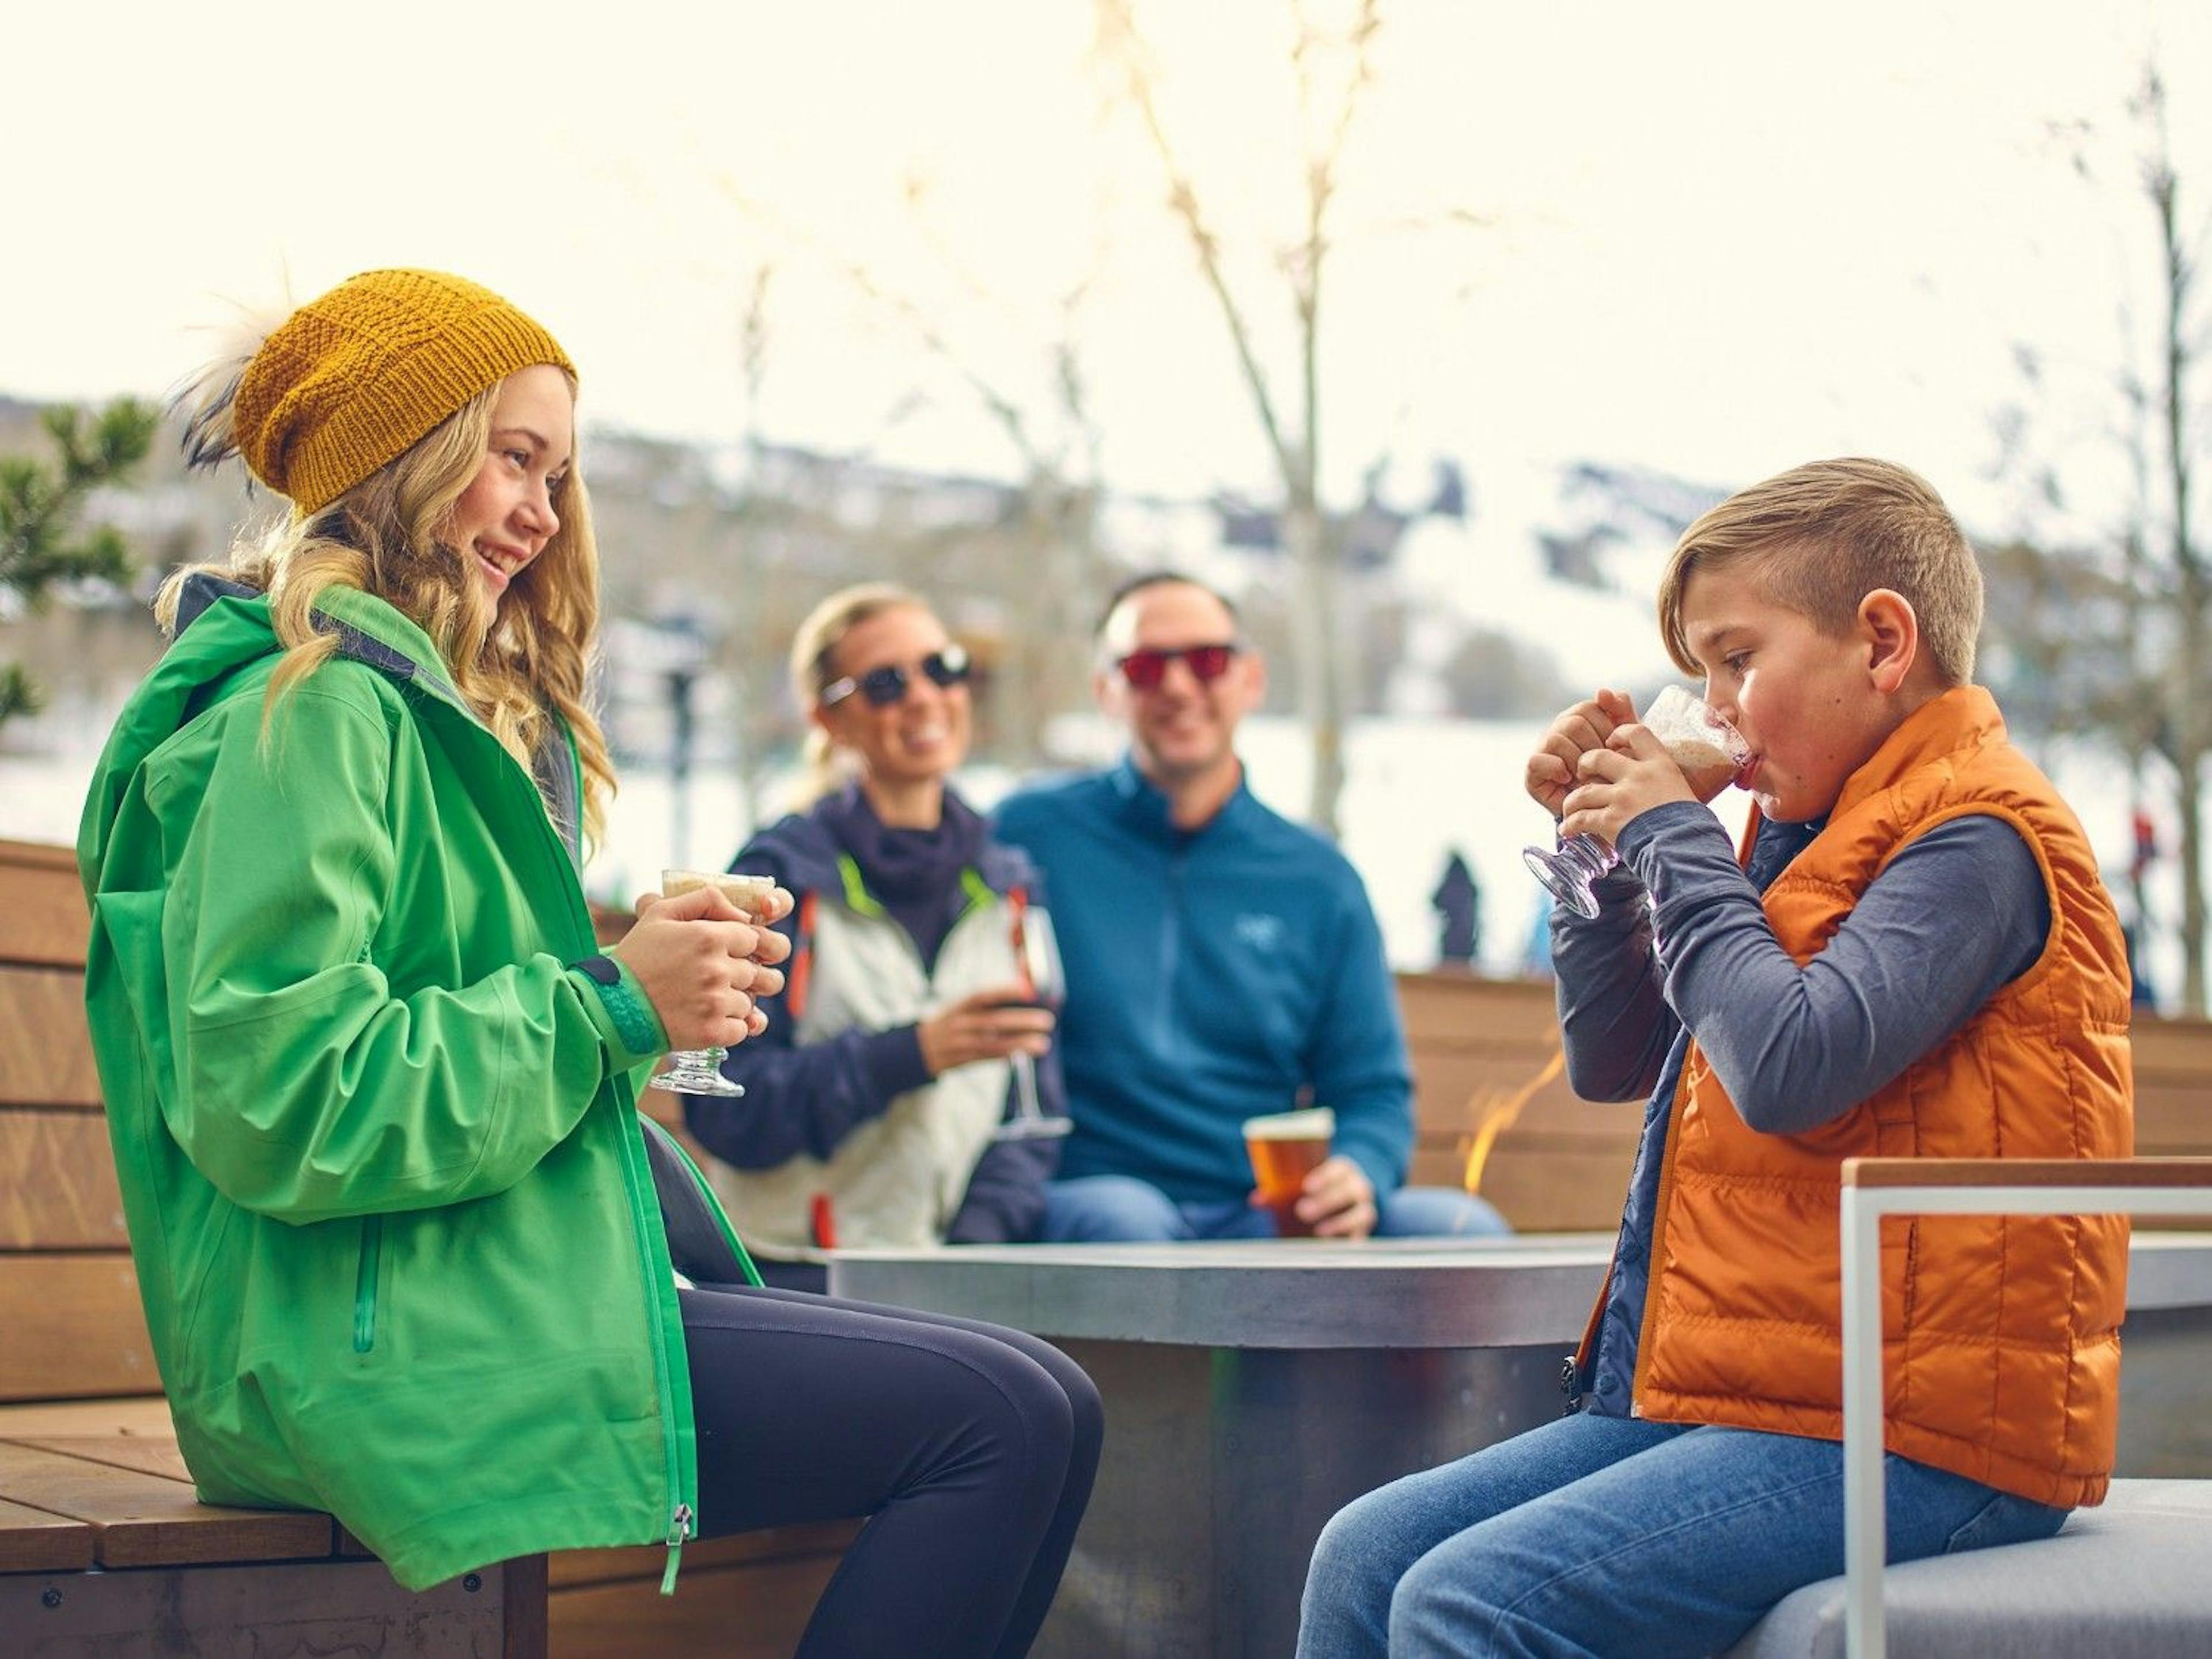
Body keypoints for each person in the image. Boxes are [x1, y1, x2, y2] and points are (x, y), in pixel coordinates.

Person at [76, 269, 1098, 1657]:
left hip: (478, 1287)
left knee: (1042, 1397)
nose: (543, 515)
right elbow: (288, 1097)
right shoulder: (298, 716)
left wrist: (638, 1033)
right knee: (1008, 1418)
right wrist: (616, 1003)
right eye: (513, 458)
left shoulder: (419, 714)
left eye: (559, 474)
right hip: (378, 1351)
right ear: (404, 454)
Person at [1298, 457, 2133, 1657]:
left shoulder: (1982, 840)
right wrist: (1597, 857)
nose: (1717, 707)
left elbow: (1794, 1062)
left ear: (1883, 644)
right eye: (1700, 673)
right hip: (1769, 1403)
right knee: (1366, 1554)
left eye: (1737, 660)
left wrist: (1671, 834)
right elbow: (1616, 1055)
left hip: (1937, 1438)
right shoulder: (1807, 837)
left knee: (1468, 1603)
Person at [993, 571, 1506, 1243]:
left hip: (1265, 1206)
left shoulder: (1318, 877)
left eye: (1207, 661)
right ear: (1106, 691)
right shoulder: (1027, 836)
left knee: (1467, 1234)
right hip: (1094, 1198)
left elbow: (1371, 1089)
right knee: (1127, 1225)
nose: (1178, 688)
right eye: (1146, 667)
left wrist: (1358, 1172)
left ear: (1250, 680)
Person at [683, 582, 1067, 1290]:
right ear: (829, 718)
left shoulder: (1011, 885)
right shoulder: (775, 879)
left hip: (958, 1273)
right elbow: (727, 1108)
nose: (924, 697)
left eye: (942, 668)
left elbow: (1033, 1116)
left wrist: (976, 1252)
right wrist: (910, 1055)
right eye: (887, 683)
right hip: (800, 1274)